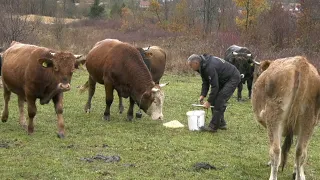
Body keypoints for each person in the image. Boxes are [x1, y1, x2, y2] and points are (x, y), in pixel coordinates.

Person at [187, 54, 241, 133]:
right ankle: (221, 123)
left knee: (219, 100)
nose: (191, 68)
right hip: (223, 78)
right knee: (215, 100)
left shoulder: (209, 67)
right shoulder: (202, 65)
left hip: (233, 77)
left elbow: (215, 86)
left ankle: (213, 127)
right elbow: (205, 82)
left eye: (191, 66)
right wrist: (203, 95)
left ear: (196, 63)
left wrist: (209, 102)